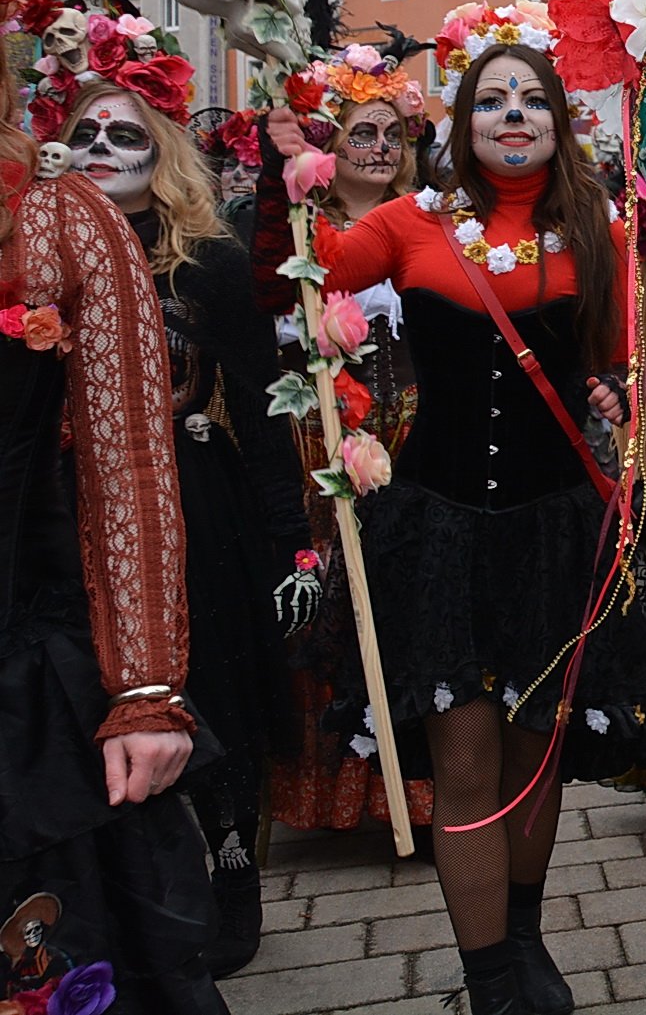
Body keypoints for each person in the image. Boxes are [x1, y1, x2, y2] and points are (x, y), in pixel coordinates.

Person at [261, 34, 646, 1015]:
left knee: (537, 757)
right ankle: (490, 978)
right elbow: (307, 273)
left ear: (557, 121)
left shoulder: (595, 229)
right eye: (492, 102)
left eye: (531, 100)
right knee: (463, 759)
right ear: (462, 122)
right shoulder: (410, 223)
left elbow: (623, 358)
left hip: (555, 532)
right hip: (440, 529)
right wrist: (300, 173)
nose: (513, 117)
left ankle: (522, 941)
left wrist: (617, 396)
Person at [2, 0, 229, 1013]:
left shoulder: (59, 221)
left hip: (45, 647)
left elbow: (130, 466)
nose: (102, 142)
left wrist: (147, 685)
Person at [48, 59, 319, 977]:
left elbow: (266, 402)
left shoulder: (207, 262)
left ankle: (234, 858)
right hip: (74, 507)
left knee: (210, 683)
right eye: (86, 133)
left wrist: (294, 541)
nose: (100, 149)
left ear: (159, 151)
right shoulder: (38, 259)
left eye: (125, 133)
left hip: (197, 501)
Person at [248, 48, 438, 844]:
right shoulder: (295, 228)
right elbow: (265, 288)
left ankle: (415, 794)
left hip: (418, 450)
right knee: (332, 601)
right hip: (322, 452)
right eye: (363, 132)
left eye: (393, 133)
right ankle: (335, 795)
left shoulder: (429, 221)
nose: (380, 149)